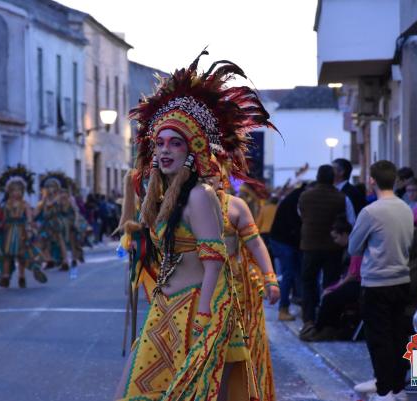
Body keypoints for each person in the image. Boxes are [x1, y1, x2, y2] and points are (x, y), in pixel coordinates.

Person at [114, 50, 275, 400]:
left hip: (197, 306)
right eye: (159, 143)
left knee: (191, 390)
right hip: (166, 301)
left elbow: (213, 258)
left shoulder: (201, 195)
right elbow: (143, 238)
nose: (164, 150)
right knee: (143, 387)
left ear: (192, 149)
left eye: (175, 142)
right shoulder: (163, 195)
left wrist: (205, 311)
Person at [348, 160, 414, 401]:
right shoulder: (406, 207)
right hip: (402, 279)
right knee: (398, 335)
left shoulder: (371, 211)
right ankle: (398, 387)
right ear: (395, 180)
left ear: (372, 180)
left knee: (379, 338)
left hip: (376, 282)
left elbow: (354, 246)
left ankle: (384, 389)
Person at [213, 168, 280, 401]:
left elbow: (256, 244)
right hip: (193, 289)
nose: (207, 176)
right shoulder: (183, 203)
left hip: (234, 288)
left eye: (212, 171)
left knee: (232, 353)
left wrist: (270, 277)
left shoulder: (235, 205)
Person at [298, 165, 350, 339]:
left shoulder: (305, 196)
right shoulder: (341, 197)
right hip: (332, 247)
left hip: (309, 246)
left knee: (308, 284)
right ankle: (327, 322)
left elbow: (301, 214)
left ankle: (308, 321)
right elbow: (351, 219)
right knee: (330, 284)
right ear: (332, 178)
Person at [302, 215, 362, 342]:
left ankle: (320, 328)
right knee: (330, 293)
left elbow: (352, 274)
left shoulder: (354, 247)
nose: (335, 241)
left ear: (345, 234)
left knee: (330, 297)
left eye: (336, 237)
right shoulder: (349, 248)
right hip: (355, 282)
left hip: (359, 284)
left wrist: (336, 287)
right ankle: (327, 327)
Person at [0, 165, 47, 288]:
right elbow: (2, 217)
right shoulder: (5, 204)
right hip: (8, 231)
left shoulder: (25, 204)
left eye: (19, 190)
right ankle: (6, 276)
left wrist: (29, 229)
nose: (16, 193)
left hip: (20, 230)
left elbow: (29, 218)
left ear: (23, 191)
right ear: (9, 191)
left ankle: (21, 276)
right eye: (13, 190)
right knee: (6, 254)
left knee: (21, 255)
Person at [269, 183, 306, 321]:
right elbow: (295, 226)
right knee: (289, 273)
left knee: (295, 273)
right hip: (283, 241)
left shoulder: (294, 198)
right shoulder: (295, 201)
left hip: (282, 240)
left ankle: (299, 306)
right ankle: (283, 309)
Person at [35, 171, 69, 270]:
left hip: (56, 221)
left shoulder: (58, 197)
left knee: (60, 240)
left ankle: (65, 260)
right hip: (46, 222)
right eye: (48, 187)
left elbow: (52, 205)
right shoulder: (45, 198)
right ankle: (48, 259)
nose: (50, 189)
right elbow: (40, 208)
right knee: (43, 240)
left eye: (52, 187)